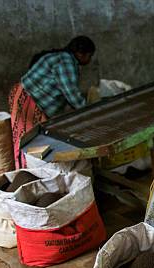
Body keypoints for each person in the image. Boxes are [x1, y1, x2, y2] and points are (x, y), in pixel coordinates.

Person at [8, 35, 95, 168]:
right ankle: (27, 174)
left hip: (32, 101)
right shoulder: (65, 61)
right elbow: (72, 94)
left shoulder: (63, 58)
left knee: (37, 142)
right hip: (27, 102)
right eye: (90, 56)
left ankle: (36, 172)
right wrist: (92, 112)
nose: (89, 60)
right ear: (83, 54)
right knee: (29, 143)